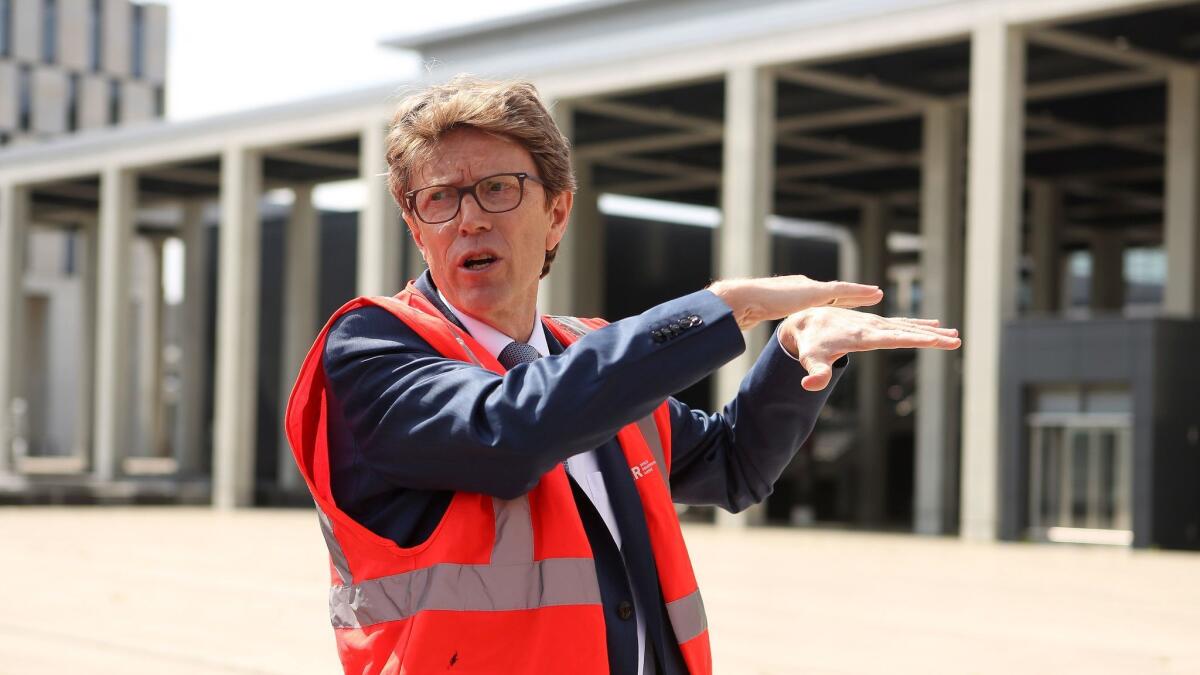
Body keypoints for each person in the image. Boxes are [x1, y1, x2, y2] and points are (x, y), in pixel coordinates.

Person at [285, 75, 960, 675]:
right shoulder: (373, 347)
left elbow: (730, 466)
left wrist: (791, 353)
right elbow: (506, 429)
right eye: (439, 197)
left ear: (556, 213)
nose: (468, 217)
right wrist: (724, 309)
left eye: (497, 188)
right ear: (415, 225)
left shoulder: (592, 356)